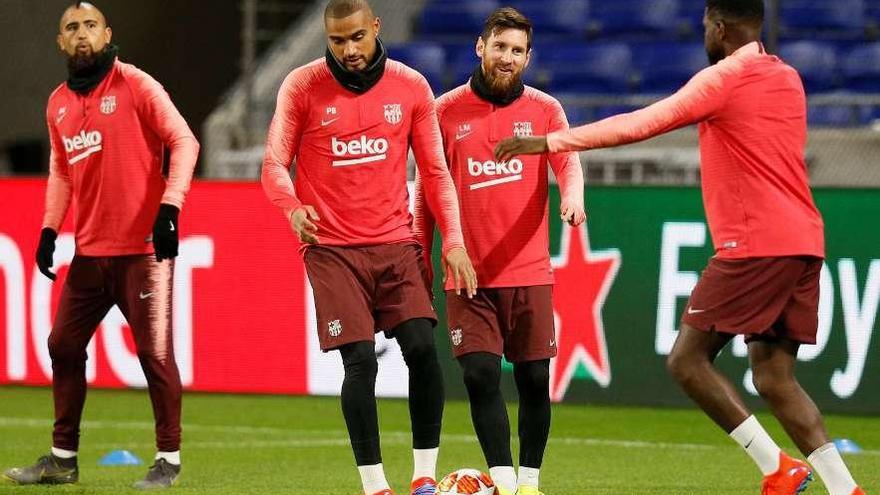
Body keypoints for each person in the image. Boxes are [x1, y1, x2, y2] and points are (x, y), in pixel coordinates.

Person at [494, 1, 865, 494]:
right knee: (775, 378)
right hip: (803, 243)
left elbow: (645, 121)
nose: (703, 36)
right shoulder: (788, 78)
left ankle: (778, 467)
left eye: (704, 28)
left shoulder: (724, 79)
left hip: (754, 244)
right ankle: (846, 489)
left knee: (687, 360)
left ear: (718, 26)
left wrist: (552, 142)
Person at [261, 1, 477, 494]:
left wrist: (455, 241)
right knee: (359, 360)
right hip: (332, 249)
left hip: (396, 244)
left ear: (375, 28)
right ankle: (375, 485)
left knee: (423, 349)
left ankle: (424, 477)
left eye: (357, 37)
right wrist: (292, 207)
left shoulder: (410, 86)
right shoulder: (302, 86)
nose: (349, 50)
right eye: (337, 41)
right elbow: (273, 163)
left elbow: (436, 172)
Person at [3, 1, 199, 490]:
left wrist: (170, 207)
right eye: (72, 28)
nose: (82, 33)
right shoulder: (57, 104)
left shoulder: (136, 84)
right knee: (62, 344)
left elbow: (185, 140)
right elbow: (61, 172)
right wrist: (50, 228)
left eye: (90, 25)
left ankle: (168, 459)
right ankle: (62, 459)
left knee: (155, 354)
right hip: (90, 253)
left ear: (107, 32)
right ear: (61, 42)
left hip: (143, 253)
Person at [413, 8, 585, 495]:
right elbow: (427, 191)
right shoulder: (443, 113)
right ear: (480, 46)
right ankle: (506, 484)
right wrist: (424, 258)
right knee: (481, 374)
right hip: (468, 275)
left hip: (529, 271)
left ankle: (529, 483)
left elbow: (568, 163)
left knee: (534, 379)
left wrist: (571, 197)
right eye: (499, 47)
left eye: (517, 50)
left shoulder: (546, 110)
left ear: (528, 57)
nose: (507, 57)